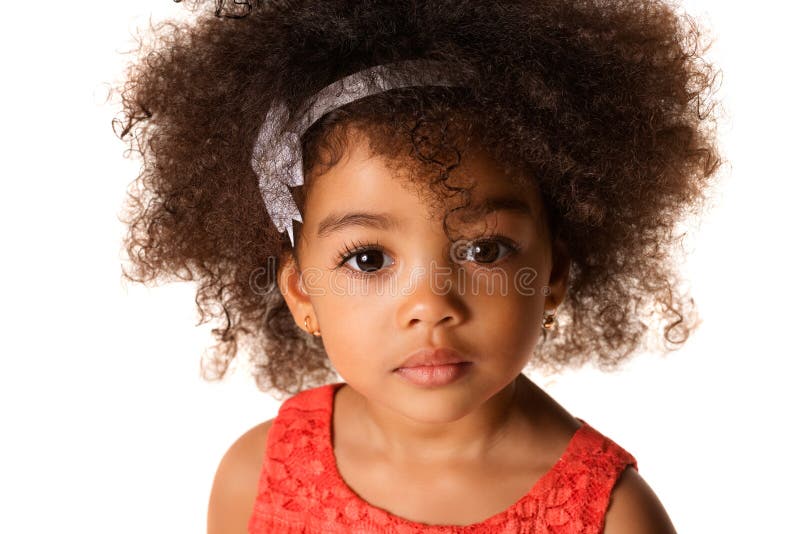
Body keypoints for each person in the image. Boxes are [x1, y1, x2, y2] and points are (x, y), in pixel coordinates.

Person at [115, 0, 722, 531]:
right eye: (369, 258)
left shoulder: (610, 519)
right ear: (302, 292)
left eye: (484, 249)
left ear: (554, 274)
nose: (431, 305)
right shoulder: (256, 477)